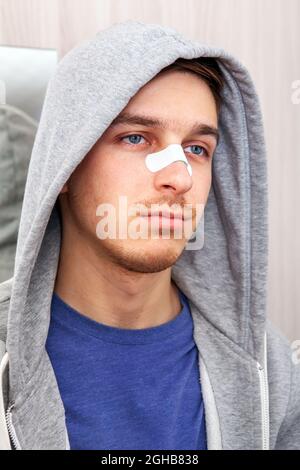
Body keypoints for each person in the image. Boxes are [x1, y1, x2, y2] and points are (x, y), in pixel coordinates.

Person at [0, 19, 299, 450]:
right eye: (137, 137)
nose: (178, 177)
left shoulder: (268, 367)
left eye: (197, 149)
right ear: (65, 164)